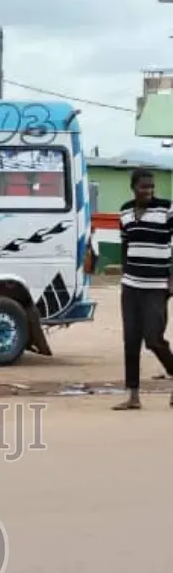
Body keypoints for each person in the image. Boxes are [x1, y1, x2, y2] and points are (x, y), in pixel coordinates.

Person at [114, 167, 173, 411]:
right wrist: (125, 272)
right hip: (130, 286)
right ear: (134, 188)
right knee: (130, 341)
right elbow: (125, 245)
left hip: (157, 286)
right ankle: (133, 396)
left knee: (153, 338)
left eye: (151, 186)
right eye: (144, 187)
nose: (149, 191)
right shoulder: (125, 211)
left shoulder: (166, 208)